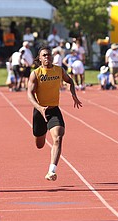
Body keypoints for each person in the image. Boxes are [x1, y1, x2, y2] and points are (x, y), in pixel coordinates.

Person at [27, 46, 82, 181]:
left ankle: (52, 171)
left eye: (49, 55)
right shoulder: (36, 73)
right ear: (39, 58)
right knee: (39, 145)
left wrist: (73, 94)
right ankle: (44, 130)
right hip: (40, 111)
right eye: (44, 55)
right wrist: (39, 108)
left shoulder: (59, 70)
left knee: (58, 137)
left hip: (54, 110)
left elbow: (70, 81)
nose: (47, 57)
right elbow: (29, 94)